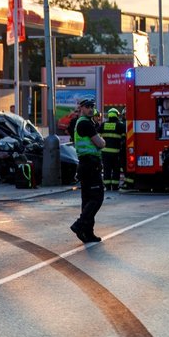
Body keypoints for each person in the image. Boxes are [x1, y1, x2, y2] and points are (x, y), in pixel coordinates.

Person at [69, 98, 105, 243]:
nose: (90, 109)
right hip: (90, 165)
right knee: (97, 197)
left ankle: (88, 233)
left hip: (85, 164)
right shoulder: (85, 123)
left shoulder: (84, 123)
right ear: (81, 108)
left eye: (92, 106)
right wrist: (102, 141)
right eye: (87, 107)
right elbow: (100, 143)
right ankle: (80, 224)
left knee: (88, 199)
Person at [100, 108, 126, 191]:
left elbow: (97, 136)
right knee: (116, 170)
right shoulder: (120, 125)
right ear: (117, 115)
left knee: (107, 169)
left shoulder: (103, 125)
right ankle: (115, 186)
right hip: (116, 152)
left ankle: (107, 186)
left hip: (105, 152)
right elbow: (124, 138)